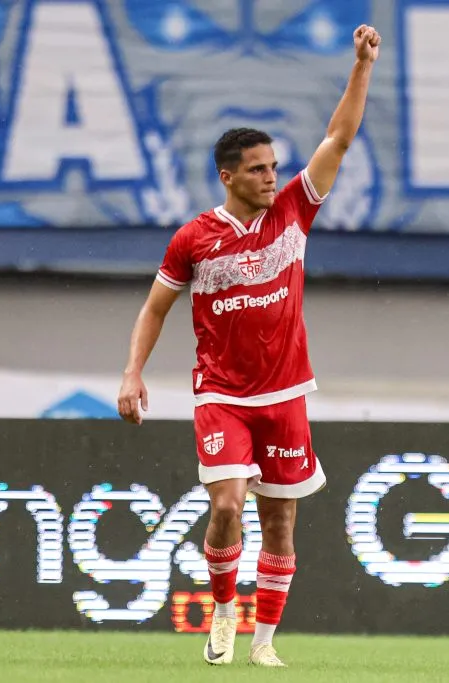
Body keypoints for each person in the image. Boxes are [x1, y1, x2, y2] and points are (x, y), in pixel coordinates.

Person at [117, 24, 381, 669]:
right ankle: (225, 610)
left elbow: (340, 138)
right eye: (258, 169)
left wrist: (362, 66)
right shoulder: (193, 239)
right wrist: (133, 373)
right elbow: (155, 308)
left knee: (282, 524)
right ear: (228, 176)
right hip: (222, 393)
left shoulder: (295, 210)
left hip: (287, 392)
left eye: (273, 166)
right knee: (228, 503)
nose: (271, 177)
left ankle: (264, 643)